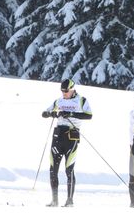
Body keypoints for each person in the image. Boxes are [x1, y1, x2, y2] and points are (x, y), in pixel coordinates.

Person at [41, 78, 92, 207]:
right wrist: (49, 114)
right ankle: (54, 200)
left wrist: (71, 114)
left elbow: (89, 115)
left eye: (66, 91)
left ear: (73, 89)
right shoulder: (59, 101)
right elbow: (46, 112)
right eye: (63, 91)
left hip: (71, 137)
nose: (64, 93)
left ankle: (69, 200)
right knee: (53, 169)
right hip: (58, 136)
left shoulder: (81, 100)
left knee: (69, 170)